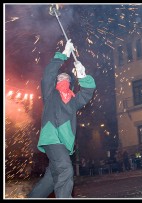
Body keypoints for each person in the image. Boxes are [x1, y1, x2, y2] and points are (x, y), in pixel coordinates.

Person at [27, 39, 96, 198]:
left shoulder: (73, 101)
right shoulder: (50, 94)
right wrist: (64, 54)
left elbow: (87, 92)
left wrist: (83, 74)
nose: (62, 79)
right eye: (59, 78)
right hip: (52, 138)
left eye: (66, 78)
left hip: (64, 143)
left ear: (71, 84)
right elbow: (48, 75)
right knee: (65, 169)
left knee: (51, 179)